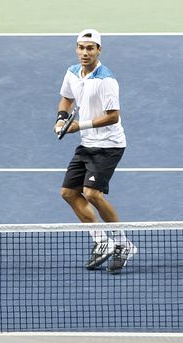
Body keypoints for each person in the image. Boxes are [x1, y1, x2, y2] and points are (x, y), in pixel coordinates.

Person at [55, 29, 136, 274]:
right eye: (81, 47)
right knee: (69, 193)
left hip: (109, 145)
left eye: (90, 48)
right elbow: (66, 98)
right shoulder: (72, 72)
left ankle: (123, 244)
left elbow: (113, 116)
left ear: (99, 50)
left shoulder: (106, 80)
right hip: (87, 144)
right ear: (76, 49)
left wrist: (80, 125)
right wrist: (61, 119)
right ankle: (102, 241)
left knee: (91, 194)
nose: (85, 52)